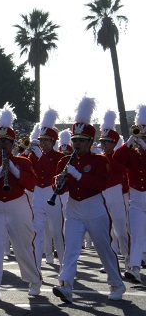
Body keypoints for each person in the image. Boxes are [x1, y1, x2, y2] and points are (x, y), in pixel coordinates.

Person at [51, 96, 125, 303]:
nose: (77, 144)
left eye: (81, 140)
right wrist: (58, 182)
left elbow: (100, 184)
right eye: (75, 140)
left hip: (94, 207)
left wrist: (78, 175)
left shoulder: (99, 161)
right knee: (71, 248)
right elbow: (60, 188)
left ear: (90, 142)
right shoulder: (65, 161)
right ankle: (65, 285)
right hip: (73, 207)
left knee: (103, 247)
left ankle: (116, 283)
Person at [0, 103, 41, 301]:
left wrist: (15, 171)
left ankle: (34, 280)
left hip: (18, 206)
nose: (3, 146)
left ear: (13, 144)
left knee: (23, 245)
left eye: (7, 142)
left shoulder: (24, 161)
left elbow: (32, 184)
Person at [27, 108, 66, 271]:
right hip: (38, 193)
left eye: (46, 141)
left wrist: (40, 156)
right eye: (41, 140)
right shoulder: (34, 155)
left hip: (52, 193)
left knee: (57, 231)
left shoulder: (60, 157)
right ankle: (36, 264)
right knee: (37, 231)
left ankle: (65, 263)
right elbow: (27, 167)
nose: (43, 143)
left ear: (53, 141)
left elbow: (53, 171)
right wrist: (28, 151)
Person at [113, 104, 146, 284]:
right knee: (136, 233)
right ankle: (135, 269)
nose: (141, 135)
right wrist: (129, 143)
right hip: (136, 198)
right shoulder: (131, 151)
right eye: (139, 131)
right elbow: (116, 160)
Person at [98, 110, 130, 271]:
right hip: (103, 193)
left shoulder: (118, 156)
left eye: (108, 142)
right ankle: (111, 262)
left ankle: (129, 261)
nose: (104, 145)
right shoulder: (100, 158)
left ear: (114, 143)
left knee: (121, 229)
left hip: (116, 192)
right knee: (107, 230)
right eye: (103, 142)